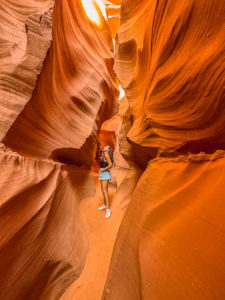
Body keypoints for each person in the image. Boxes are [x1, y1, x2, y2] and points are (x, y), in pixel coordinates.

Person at [98, 145, 113, 218]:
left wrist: (103, 170)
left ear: (108, 149)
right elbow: (101, 150)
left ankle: (108, 210)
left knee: (105, 191)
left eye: (106, 147)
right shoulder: (104, 154)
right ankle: (104, 204)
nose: (104, 147)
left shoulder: (106, 154)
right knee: (103, 190)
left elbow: (110, 165)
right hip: (102, 173)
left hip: (105, 174)